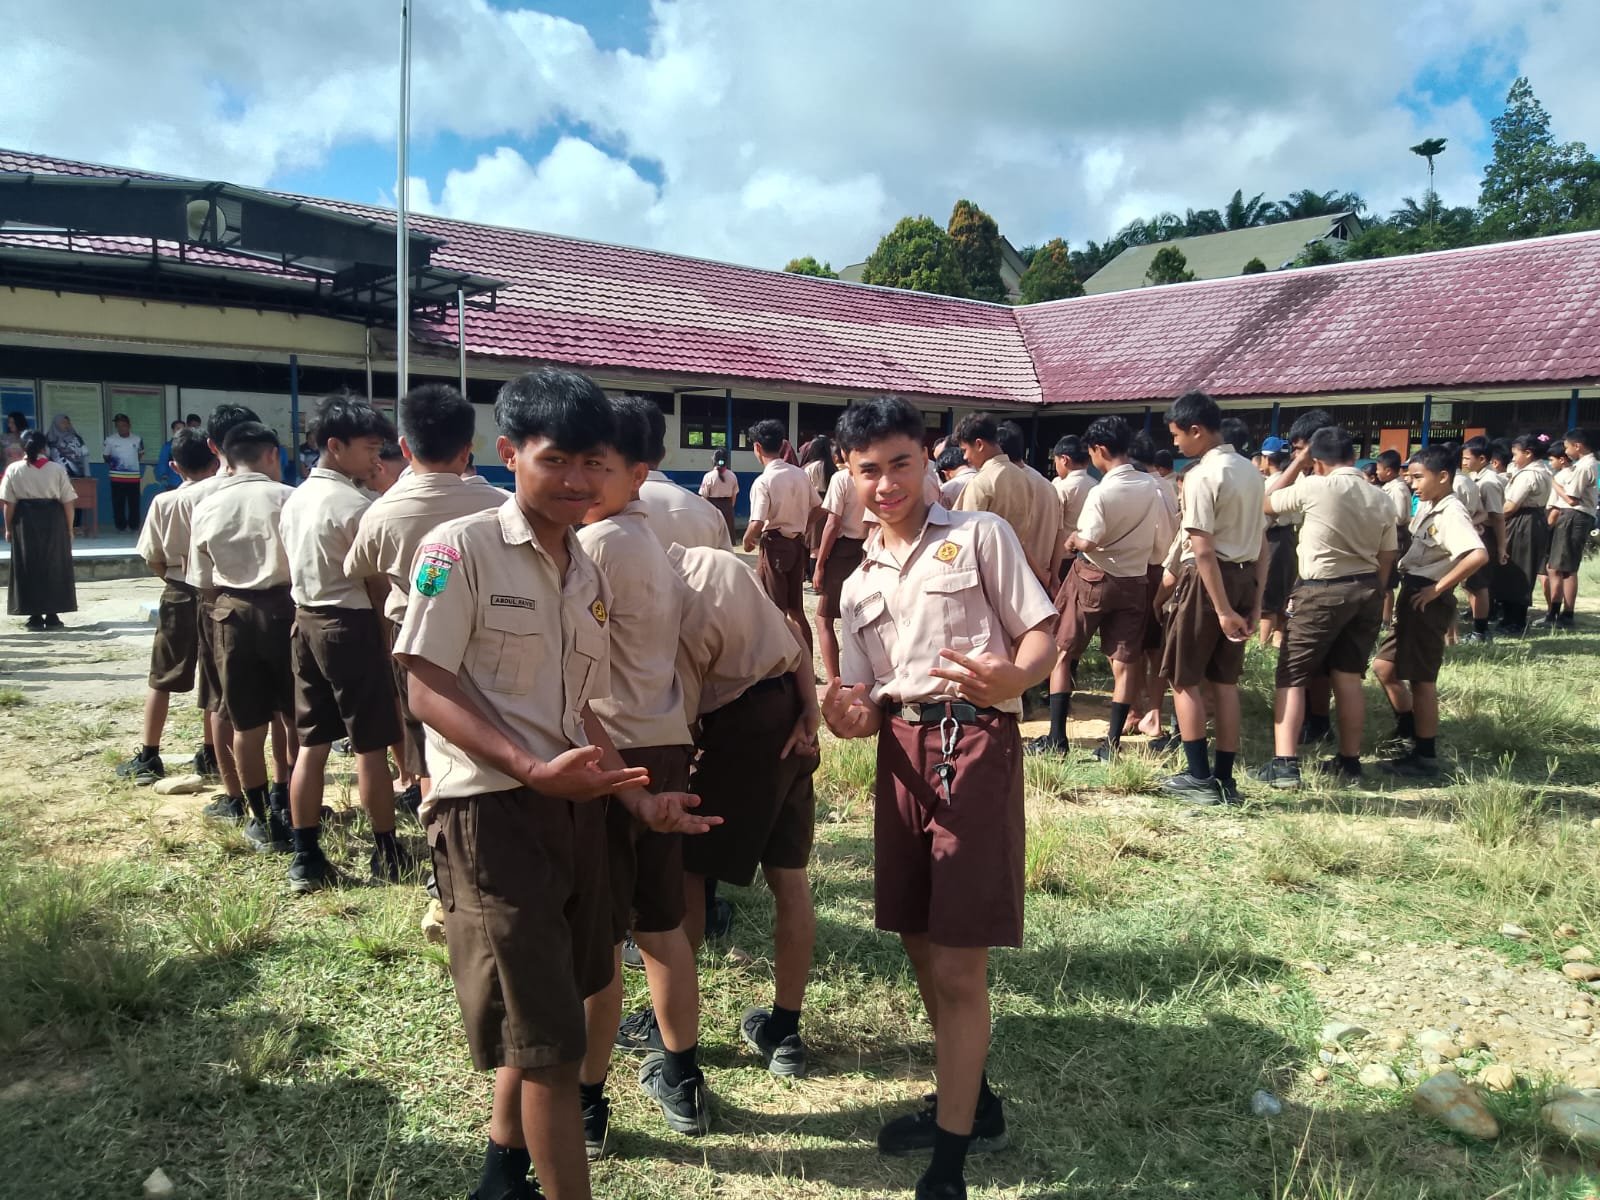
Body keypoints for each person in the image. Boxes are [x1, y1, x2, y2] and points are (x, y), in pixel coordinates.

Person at [394, 367, 714, 1200]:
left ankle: (503, 1175)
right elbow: (425, 684)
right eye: (557, 460)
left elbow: (580, 708)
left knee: (560, 1008)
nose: (577, 480)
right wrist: (533, 769)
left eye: (593, 464)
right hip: (493, 816)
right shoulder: (458, 549)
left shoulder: (586, 567)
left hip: (575, 811)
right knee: (551, 1048)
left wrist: (634, 796)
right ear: (508, 454)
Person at [823, 395, 1056, 1200]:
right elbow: (864, 697)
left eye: (901, 464)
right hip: (900, 752)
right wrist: (849, 714)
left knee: (959, 961)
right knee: (920, 937)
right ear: (847, 475)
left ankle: (950, 1163)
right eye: (868, 471)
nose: (886, 484)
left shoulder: (978, 535)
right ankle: (974, 1101)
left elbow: (1040, 630)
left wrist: (1017, 675)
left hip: (973, 743)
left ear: (928, 458)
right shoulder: (858, 583)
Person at [574, 396, 710, 1153]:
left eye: (601, 465)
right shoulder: (649, 539)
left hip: (612, 752)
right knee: (661, 925)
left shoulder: (595, 547)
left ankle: (587, 1099)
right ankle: (682, 1075)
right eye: (579, 460)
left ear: (638, 473)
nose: (584, 479)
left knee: (602, 938)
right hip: (660, 739)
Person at [670, 543, 819, 1078]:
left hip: (736, 728)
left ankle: (672, 1031)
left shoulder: (668, 601)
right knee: (789, 876)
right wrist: (810, 707)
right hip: (788, 711)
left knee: (688, 871)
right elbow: (793, 635)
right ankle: (786, 1028)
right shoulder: (719, 561)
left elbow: (684, 722)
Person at [345, 384, 508, 818]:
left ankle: (436, 820)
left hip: (415, 635)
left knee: (425, 733)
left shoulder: (382, 512)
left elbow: (356, 567)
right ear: (468, 450)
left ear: (404, 446)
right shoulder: (502, 506)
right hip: (488, 631)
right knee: (487, 722)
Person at [277, 394, 407, 894]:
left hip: (305, 620)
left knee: (313, 742)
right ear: (336, 446)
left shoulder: (295, 499)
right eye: (369, 448)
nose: (376, 459)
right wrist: (387, 635)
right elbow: (375, 583)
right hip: (349, 625)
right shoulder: (355, 506)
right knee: (370, 743)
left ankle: (306, 854)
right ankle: (387, 849)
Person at [1252, 426, 1397, 789]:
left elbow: (1266, 502)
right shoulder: (1380, 496)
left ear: (1316, 462)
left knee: (1292, 674)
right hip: (1366, 587)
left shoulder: (1316, 486)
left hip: (1321, 589)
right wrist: (1376, 590)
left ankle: (1285, 764)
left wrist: (1296, 463)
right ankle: (1349, 762)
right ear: (1353, 457)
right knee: (1348, 676)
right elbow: (1387, 554)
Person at [190, 422, 298, 854]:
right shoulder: (289, 498)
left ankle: (260, 818)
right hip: (286, 610)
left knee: (246, 723)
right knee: (294, 717)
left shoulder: (208, 505)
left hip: (231, 615)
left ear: (226, 458)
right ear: (271, 454)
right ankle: (292, 800)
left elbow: (203, 582)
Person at [1160, 391, 1267, 806]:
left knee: (1184, 678)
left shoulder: (1203, 475)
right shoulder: (1251, 472)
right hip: (1243, 576)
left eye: (1177, 435)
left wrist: (1221, 610)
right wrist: (1254, 603)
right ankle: (1224, 777)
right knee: (1225, 682)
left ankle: (1198, 776)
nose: (1175, 444)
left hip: (1208, 582)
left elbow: (1201, 548)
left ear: (1196, 430)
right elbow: (1262, 545)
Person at [1050, 417, 1171, 761]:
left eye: (1092, 452)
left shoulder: (1102, 492)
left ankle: (1057, 738)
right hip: (1135, 580)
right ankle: (1112, 743)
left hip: (1093, 576)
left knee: (1062, 651)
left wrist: (1073, 541)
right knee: (1125, 660)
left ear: (1100, 449)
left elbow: (1089, 539)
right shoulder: (1152, 486)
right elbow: (1161, 539)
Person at [1374, 446, 1488, 778]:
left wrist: (1438, 589)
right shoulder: (1430, 505)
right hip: (1413, 593)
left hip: (1427, 597)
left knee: (1422, 679)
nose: (1412, 484)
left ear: (1443, 476)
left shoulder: (1451, 512)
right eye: (1410, 477)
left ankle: (1424, 754)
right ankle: (1408, 729)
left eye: (1419, 477)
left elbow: (1477, 555)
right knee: (1384, 667)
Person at [116, 429, 220, 784]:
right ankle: (212, 754)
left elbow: (153, 557)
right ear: (215, 457)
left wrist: (174, 579)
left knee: (162, 675)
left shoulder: (164, 502)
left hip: (179, 587)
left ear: (174, 466)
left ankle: (149, 754)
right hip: (218, 590)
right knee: (214, 675)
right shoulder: (222, 493)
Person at [953, 414, 1053, 588]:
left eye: (964, 450)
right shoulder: (1023, 477)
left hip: (985, 572)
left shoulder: (981, 482)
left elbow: (968, 537)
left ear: (979, 444)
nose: (965, 458)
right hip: (1015, 568)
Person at [742, 419, 818, 647]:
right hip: (796, 545)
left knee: (774, 609)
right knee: (796, 610)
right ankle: (806, 655)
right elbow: (819, 507)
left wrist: (747, 540)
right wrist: (803, 525)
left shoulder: (764, 481)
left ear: (757, 447)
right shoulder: (800, 474)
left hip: (775, 545)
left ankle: (779, 657)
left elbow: (757, 522)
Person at [1, 431, 76, 629]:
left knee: (28, 565)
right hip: (53, 520)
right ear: (45, 447)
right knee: (54, 564)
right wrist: (69, 528)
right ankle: (52, 615)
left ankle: (34, 616)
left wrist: (8, 528)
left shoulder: (14, 469)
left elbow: (9, 503)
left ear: (23, 447)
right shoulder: (57, 469)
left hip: (25, 521)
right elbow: (68, 502)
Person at [634, 405, 730, 552]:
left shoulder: (609, 511)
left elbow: (704, 494)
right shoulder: (710, 513)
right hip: (725, 507)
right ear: (662, 454)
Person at [812, 441, 868, 681]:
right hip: (867, 548)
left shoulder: (842, 479)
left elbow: (832, 524)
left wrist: (819, 564)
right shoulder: (871, 477)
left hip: (843, 550)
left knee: (824, 618)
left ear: (842, 453)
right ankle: (860, 674)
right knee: (858, 619)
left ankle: (835, 678)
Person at [1495, 434, 1553, 635]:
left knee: (1518, 567)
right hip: (1534, 519)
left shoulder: (1528, 474)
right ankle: (1510, 618)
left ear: (1528, 453)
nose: (1513, 459)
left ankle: (1515, 621)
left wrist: (1493, 519)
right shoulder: (1544, 470)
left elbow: (1511, 505)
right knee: (1521, 567)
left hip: (1523, 521)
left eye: (1515, 454)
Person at [1543, 427, 1597, 630]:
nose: (1565, 451)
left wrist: (1554, 483)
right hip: (1576, 516)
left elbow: (1572, 499)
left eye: (1567, 447)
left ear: (1578, 446)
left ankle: (1564, 614)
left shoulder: (1584, 467)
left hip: (1574, 515)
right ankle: (1558, 612)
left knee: (1564, 568)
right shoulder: (1586, 464)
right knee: (1559, 566)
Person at [1460, 436, 1506, 643]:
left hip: (1484, 535)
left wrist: (1501, 546)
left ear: (1482, 459)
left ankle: (1481, 631)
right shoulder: (1477, 477)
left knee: (1478, 584)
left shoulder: (1489, 482)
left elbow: (1497, 517)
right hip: (1476, 532)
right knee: (1471, 583)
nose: (1464, 462)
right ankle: (1477, 625)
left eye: (1467, 458)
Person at [1256, 438, 1299, 647]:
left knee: (1269, 590)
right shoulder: (1297, 480)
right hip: (1290, 536)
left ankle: (1263, 643)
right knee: (1284, 587)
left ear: (1267, 459)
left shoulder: (1269, 484)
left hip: (1272, 537)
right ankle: (1278, 638)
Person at [103, 412, 145, 532]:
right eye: (118, 426)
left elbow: (140, 455)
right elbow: (106, 456)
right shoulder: (110, 440)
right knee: (118, 502)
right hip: (116, 477)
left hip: (133, 476)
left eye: (123, 425)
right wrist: (116, 465)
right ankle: (120, 525)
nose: (121, 428)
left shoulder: (137, 439)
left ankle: (134, 525)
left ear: (129, 425)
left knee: (134, 502)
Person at [801, 435, 835, 566]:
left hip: (815, 506)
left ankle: (814, 573)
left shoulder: (810, 468)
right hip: (831, 506)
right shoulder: (833, 467)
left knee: (814, 547)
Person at [698, 449, 740, 539]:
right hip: (727, 509)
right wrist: (729, 507)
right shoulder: (732, 476)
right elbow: (734, 496)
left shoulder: (708, 476)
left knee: (713, 536)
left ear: (714, 460)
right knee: (727, 536)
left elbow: (704, 496)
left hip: (712, 508)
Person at [46, 413, 88, 478]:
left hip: (78, 475)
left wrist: (87, 474)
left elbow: (85, 455)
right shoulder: (49, 439)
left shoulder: (76, 437)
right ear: (56, 423)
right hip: (56, 476)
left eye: (68, 423)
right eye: (63, 423)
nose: (66, 425)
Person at [157, 420, 185, 490]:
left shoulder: (189, 446)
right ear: (173, 430)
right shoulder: (168, 446)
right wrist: (163, 475)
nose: (180, 431)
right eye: (178, 428)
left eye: (182, 429)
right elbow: (162, 462)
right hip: (172, 481)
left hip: (186, 482)